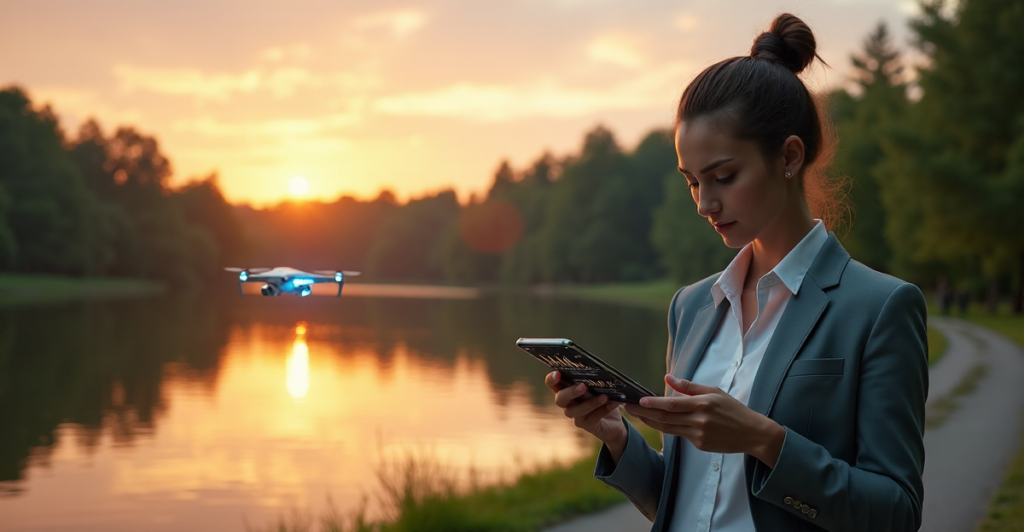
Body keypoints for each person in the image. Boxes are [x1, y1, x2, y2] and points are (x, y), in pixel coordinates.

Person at [545, 13, 928, 532]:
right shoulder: (691, 307)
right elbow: (689, 503)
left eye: (723, 176)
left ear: (789, 156)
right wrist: (617, 436)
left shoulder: (880, 308)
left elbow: (896, 515)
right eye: (692, 182)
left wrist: (763, 439)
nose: (705, 204)